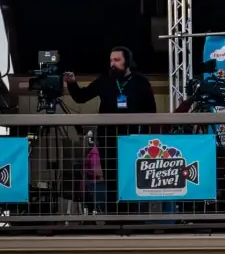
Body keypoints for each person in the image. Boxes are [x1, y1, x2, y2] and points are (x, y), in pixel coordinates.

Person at [64, 46, 157, 212]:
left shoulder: (141, 82)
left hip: (133, 139)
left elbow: (152, 112)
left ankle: (133, 217)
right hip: (108, 138)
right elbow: (81, 97)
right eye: (111, 60)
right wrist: (71, 83)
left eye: (117, 60)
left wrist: (145, 139)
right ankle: (114, 217)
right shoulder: (105, 80)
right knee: (112, 179)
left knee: (132, 177)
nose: (112, 64)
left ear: (127, 61)